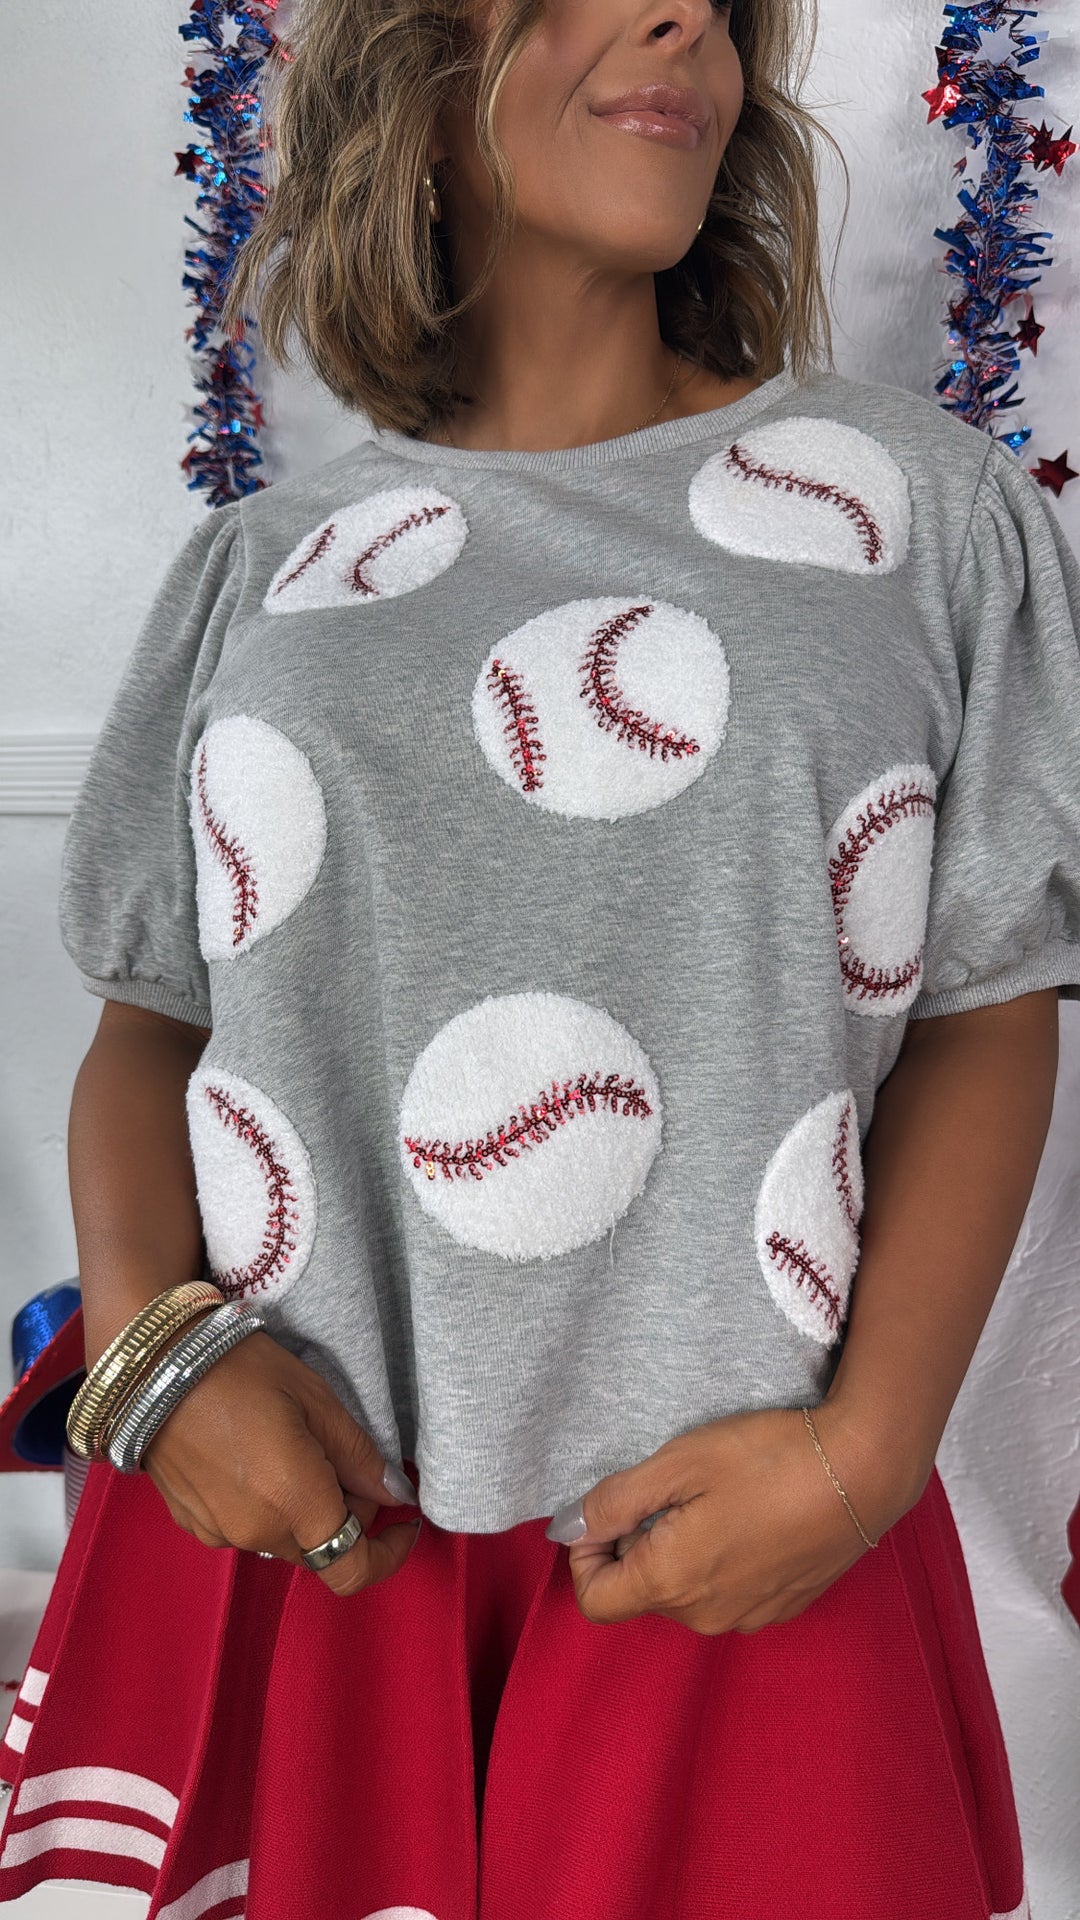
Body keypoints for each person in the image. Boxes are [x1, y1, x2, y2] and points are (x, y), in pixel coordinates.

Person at [2, 0, 1078, 1911]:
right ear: (415, 80)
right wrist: (163, 1367)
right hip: (298, 1528)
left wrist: (864, 1457)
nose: (682, 22)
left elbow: (987, 1006)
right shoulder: (263, 565)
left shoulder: (926, 514)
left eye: (720, 6)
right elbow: (152, 1021)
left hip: (746, 1528)